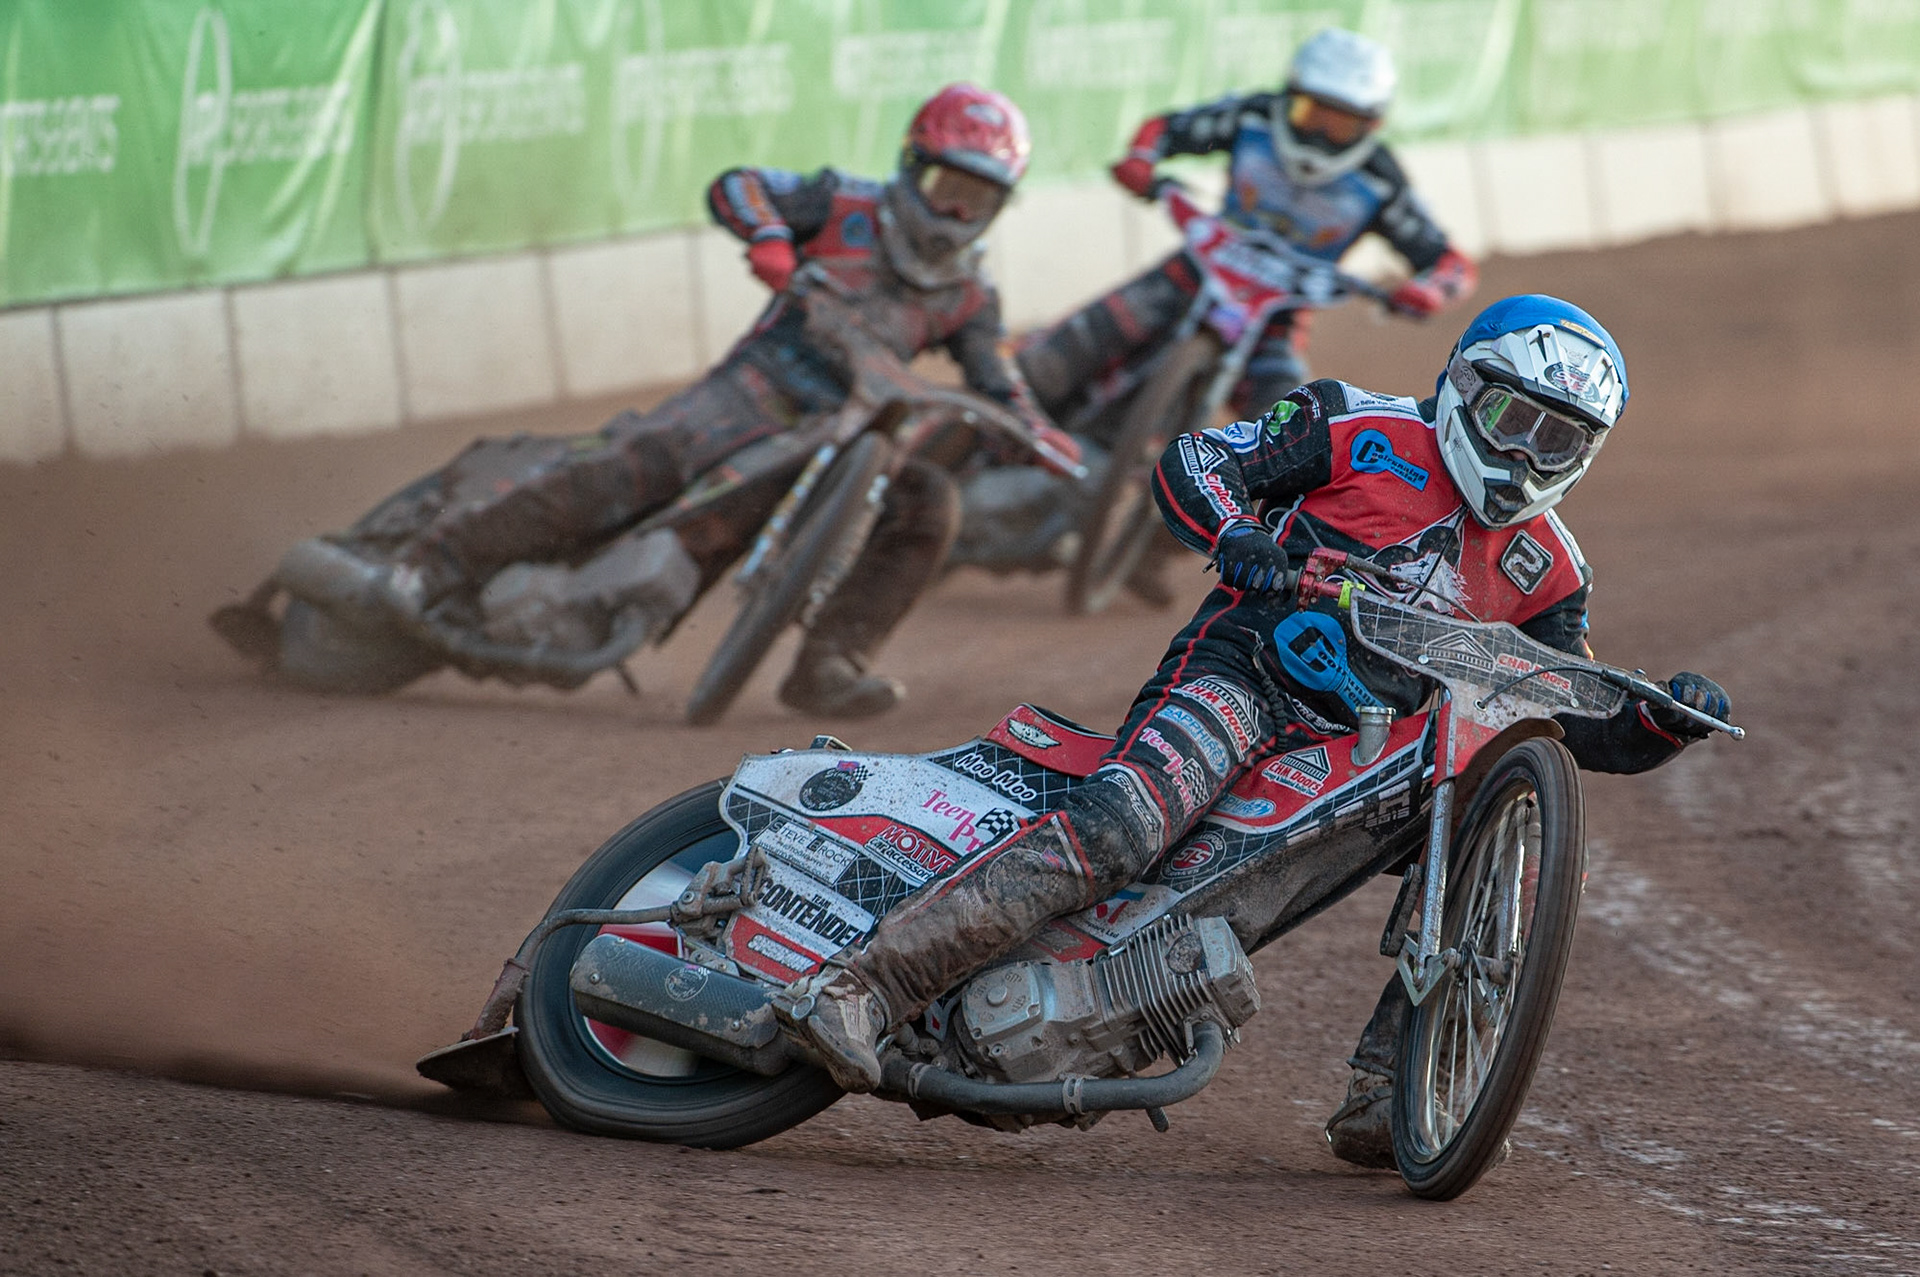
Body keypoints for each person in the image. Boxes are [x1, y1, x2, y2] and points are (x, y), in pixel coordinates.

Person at [782, 295, 1731, 1172]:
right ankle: (861, 984)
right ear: (1462, 389)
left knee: (1498, 815)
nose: (1527, 453)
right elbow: (1194, 462)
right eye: (1513, 419)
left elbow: (1570, 706)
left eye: (1558, 438)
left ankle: (1394, 1084)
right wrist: (1239, 531)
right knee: (1123, 826)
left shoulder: (1553, 569)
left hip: (1373, 761)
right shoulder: (1356, 426)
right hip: (1247, 677)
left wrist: (1655, 720)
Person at [322, 84, 1062, 718]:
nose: (957, 214)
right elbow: (737, 184)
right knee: (637, 462)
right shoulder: (841, 203)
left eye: (979, 200)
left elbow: (997, 376)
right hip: (759, 386)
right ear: (913, 167)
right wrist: (771, 235)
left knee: (929, 502)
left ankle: (829, 662)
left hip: (847, 428)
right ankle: (430, 566)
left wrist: (1033, 431)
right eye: (947, 190)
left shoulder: (972, 293)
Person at [1003, 27, 1478, 604]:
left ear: (1371, 127)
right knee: (1060, 355)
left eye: (1342, 124)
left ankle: (1157, 548)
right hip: (1193, 272)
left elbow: (1449, 262)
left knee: (1290, 452)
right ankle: (987, 430)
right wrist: (1140, 158)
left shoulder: (1379, 180)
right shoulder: (1252, 117)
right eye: (1310, 114)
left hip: (1275, 321)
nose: (1322, 136)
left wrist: (1427, 290)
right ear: (1287, 98)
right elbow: (1168, 128)